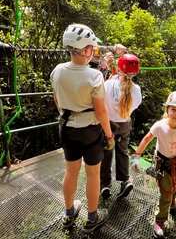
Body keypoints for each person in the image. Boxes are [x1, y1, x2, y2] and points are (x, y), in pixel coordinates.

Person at [50, 23, 115, 233]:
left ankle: (69, 214)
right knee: (92, 174)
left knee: (70, 171)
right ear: (86, 49)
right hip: (90, 131)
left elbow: (57, 100)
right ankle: (92, 217)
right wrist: (108, 134)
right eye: (92, 49)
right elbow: (101, 110)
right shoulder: (94, 76)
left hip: (66, 127)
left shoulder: (58, 71)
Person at [130, 91, 176, 238]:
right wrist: (136, 156)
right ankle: (159, 221)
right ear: (167, 110)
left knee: (175, 183)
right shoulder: (160, 126)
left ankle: (172, 204)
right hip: (162, 162)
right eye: (173, 109)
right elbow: (147, 139)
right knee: (166, 192)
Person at [100, 54, 142, 200]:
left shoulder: (108, 84)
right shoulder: (136, 90)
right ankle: (125, 181)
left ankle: (104, 184)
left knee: (106, 153)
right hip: (124, 124)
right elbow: (134, 106)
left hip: (109, 124)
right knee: (122, 151)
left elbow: (100, 100)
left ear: (118, 69)